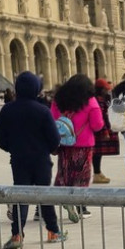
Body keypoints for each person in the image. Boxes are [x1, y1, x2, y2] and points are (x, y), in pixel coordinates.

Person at [0, 71, 66, 249]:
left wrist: (12, 148)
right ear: (36, 89)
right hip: (41, 159)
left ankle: (17, 234)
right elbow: (55, 138)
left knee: (20, 196)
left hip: (19, 159)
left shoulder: (8, 109)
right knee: (44, 195)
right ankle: (53, 231)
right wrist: (45, 149)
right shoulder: (42, 110)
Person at [51, 75, 105, 222]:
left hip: (64, 142)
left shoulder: (58, 99)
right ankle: (81, 207)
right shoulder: (90, 101)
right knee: (82, 175)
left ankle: (64, 198)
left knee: (65, 171)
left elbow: (52, 119)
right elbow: (97, 125)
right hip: (84, 144)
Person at [91, 79, 118, 184]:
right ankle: (97, 173)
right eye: (106, 89)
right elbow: (102, 116)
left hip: (98, 129)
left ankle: (98, 172)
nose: (107, 91)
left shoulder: (98, 99)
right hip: (100, 130)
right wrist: (105, 130)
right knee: (97, 153)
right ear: (101, 89)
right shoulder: (99, 100)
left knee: (98, 153)